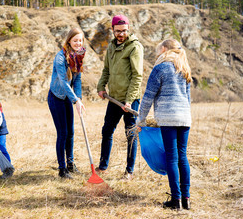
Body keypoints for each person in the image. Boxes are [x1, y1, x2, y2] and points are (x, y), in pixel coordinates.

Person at [137, 39, 192, 210]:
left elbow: (147, 97)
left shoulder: (160, 68)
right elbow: (188, 98)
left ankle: (175, 200)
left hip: (168, 118)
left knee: (172, 156)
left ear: (164, 49)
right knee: (182, 156)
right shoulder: (184, 68)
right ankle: (186, 199)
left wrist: (141, 120)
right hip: (184, 118)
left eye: (158, 50)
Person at [96, 15, 144, 180]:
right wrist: (101, 87)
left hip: (130, 100)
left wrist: (129, 100)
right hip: (114, 99)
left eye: (124, 31)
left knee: (130, 134)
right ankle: (103, 167)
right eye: (118, 31)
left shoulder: (135, 47)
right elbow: (106, 71)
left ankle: (129, 171)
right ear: (113, 30)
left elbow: (137, 76)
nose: (121, 34)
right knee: (107, 131)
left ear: (128, 29)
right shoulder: (110, 47)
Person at [48, 28, 86, 179]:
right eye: (75, 40)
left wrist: (79, 98)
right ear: (69, 40)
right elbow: (64, 82)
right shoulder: (60, 57)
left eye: (80, 40)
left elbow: (77, 80)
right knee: (62, 133)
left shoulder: (79, 56)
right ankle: (62, 169)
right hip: (56, 97)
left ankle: (70, 164)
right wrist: (75, 100)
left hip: (67, 98)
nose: (78, 43)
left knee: (70, 132)